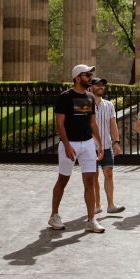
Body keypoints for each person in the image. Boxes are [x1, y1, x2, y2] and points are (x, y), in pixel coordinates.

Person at [48, 64, 105, 233]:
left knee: (90, 181)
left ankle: (91, 220)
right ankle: (54, 215)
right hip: (70, 143)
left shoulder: (89, 96)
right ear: (77, 77)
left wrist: (99, 144)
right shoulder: (65, 97)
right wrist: (66, 145)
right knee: (63, 179)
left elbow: (92, 123)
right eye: (87, 75)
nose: (90, 78)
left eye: (90, 75)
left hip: (87, 144)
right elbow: (60, 123)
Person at [88, 76, 126, 215]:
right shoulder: (85, 104)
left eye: (102, 85)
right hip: (90, 146)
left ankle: (111, 205)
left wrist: (116, 142)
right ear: (90, 87)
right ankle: (97, 205)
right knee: (94, 176)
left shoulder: (109, 105)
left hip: (106, 145)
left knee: (108, 173)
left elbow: (113, 125)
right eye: (97, 85)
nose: (101, 87)